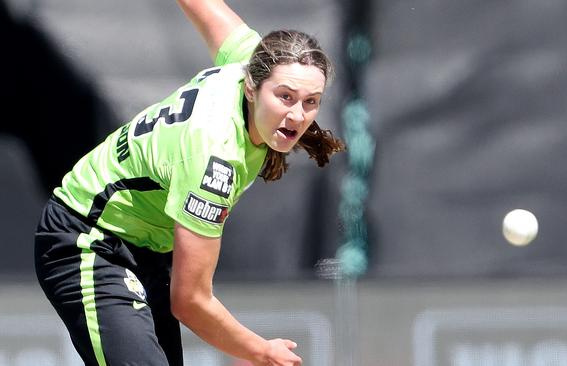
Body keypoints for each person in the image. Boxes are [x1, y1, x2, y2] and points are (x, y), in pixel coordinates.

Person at [34, 0, 345, 365]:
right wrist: (259, 351)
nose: (297, 114)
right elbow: (190, 301)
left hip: (146, 248)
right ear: (251, 87)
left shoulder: (253, 58)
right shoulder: (214, 159)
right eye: (286, 97)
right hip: (87, 240)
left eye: (311, 101)